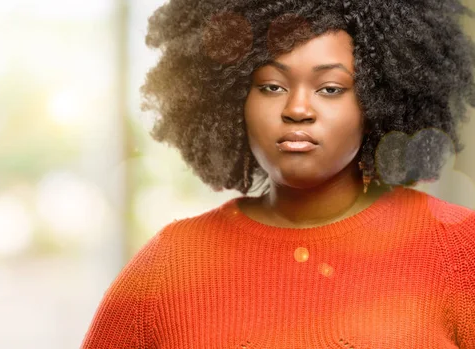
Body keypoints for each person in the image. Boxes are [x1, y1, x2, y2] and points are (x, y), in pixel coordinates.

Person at [81, 0, 475, 347]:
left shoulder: (457, 248)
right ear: (231, 98)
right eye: (271, 86)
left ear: (378, 99)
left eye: (331, 88)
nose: (297, 108)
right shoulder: (170, 263)